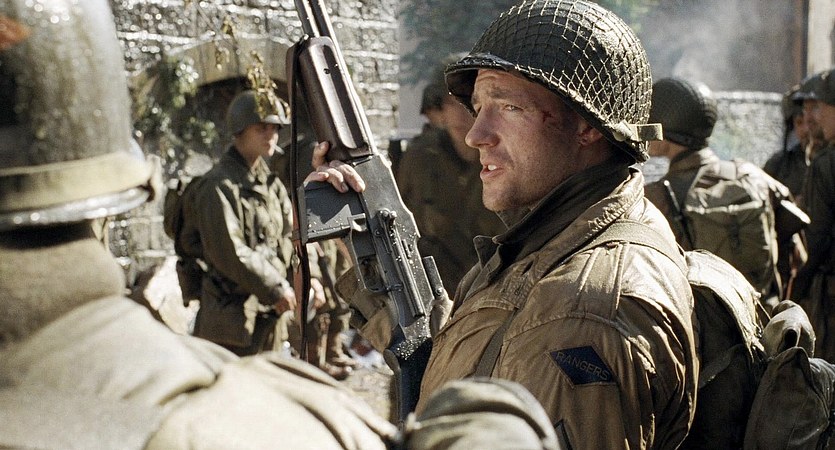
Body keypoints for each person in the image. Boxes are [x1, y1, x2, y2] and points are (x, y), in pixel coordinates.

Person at [0, 2, 563, 448]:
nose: (272, 137)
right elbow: (234, 249)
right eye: (263, 129)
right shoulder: (257, 420)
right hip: (234, 311)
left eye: (276, 129)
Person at [309, 1, 699, 448]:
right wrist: (368, 239)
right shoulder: (551, 245)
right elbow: (472, 363)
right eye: (478, 107)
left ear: (588, 126)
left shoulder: (581, 313)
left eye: (509, 106)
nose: (476, 134)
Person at [644, 77, 801, 306]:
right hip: (760, 318)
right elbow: (798, 256)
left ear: (665, 131)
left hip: (696, 323)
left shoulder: (652, 199)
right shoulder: (754, 177)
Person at [396, 56, 505, 292]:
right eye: (453, 102)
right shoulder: (420, 158)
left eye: (472, 103)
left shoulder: (505, 160)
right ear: (440, 110)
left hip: (493, 288)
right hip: (431, 288)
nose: (463, 112)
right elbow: (398, 221)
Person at [793, 67, 835, 363]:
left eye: (818, 108)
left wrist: (794, 292)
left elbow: (814, 240)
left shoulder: (826, 164)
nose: (812, 118)